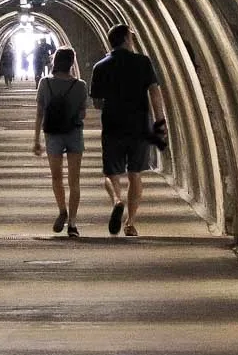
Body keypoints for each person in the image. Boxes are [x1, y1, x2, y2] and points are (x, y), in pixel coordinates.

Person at [89, 23, 167, 237]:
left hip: (113, 125)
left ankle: (116, 200)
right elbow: (154, 93)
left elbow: (97, 102)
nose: (133, 39)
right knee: (135, 174)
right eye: (131, 36)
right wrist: (160, 122)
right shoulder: (143, 62)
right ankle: (130, 223)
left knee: (111, 171)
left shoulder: (100, 66)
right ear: (125, 39)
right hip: (139, 125)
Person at [32, 47, 87, 237]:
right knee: (75, 181)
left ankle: (62, 209)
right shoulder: (80, 85)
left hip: (52, 134)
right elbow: (83, 113)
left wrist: (36, 139)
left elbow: (40, 112)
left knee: (56, 177)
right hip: (74, 134)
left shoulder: (45, 83)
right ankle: (72, 223)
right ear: (72, 63)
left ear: (55, 62)